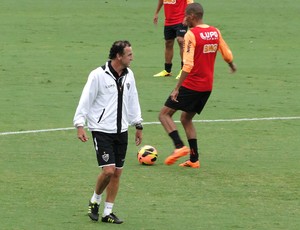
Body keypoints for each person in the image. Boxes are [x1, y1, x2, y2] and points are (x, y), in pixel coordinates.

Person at [158, 2, 237, 168]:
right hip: (207, 86)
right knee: (186, 118)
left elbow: (187, 65)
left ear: (192, 16)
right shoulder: (215, 32)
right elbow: (227, 53)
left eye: (186, 15)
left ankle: (179, 147)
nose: (184, 18)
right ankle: (194, 160)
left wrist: (177, 88)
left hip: (192, 84)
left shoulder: (191, 35)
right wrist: (231, 66)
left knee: (164, 115)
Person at [73, 40, 143, 224]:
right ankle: (95, 199)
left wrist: (138, 124)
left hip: (122, 130)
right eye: (129, 54)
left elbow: (133, 99)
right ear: (119, 56)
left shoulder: (129, 75)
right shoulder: (98, 75)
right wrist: (80, 124)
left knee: (117, 172)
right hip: (102, 130)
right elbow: (85, 99)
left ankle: (107, 212)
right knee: (108, 171)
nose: (132, 58)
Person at [153, 0, 193, 78]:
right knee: (168, 43)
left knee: (181, 40)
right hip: (168, 21)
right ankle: (167, 70)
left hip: (181, 19)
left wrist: (187, 16)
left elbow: (190, 4)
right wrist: (156, 13)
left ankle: (183, 69)